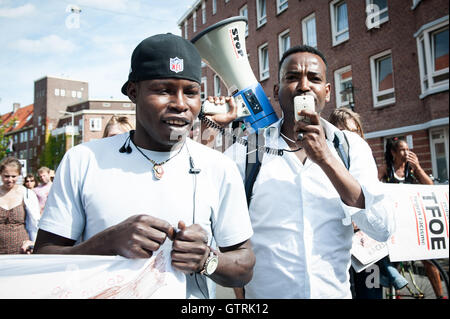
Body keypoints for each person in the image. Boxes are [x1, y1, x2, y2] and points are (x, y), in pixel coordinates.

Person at [33, 33, 255, 299]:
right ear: (133, 92)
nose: (180, 104)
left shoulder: (220, 167)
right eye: (164, 90)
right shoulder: (83, 160)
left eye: (191, 92)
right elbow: (43, 261)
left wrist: (206, 259)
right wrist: (106, 243)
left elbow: (244, 267)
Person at [211, 45, 394, 298]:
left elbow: (382, 228)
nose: (304, 86)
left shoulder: (351, 148)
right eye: (292, 77)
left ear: (327, 92)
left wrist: (327, 159)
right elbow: (210, 212)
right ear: (276, 91)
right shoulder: (248, 151)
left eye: (314, 78)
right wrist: (207, 126)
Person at [328, 107, 408, 299]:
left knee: (370, 292)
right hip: (338, 249)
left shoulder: (363, 158)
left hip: (366, 243)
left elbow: (374, 198)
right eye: (344, 132)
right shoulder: (325, 161)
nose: (351, 137)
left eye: (356, 132)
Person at [380, 137, 446, 299]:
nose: (407, 152)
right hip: (395, 221)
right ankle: (396, 293)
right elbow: (373, 186)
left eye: (408, 149)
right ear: (393, 152)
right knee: (394, 259)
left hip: (412, 220)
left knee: (428, 259)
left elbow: (430, 187)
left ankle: (440, 295)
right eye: (402, 149)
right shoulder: (386, 169)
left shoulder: (411, 169)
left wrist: (418, 167)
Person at [0, 157, 40, 254]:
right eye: (6, 176)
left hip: (20, 249)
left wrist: (33, 243)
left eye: (13, 176)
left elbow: (35, 224)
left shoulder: (27, 194)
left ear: (19, 175)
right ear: (0, 174)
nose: (10, 180)